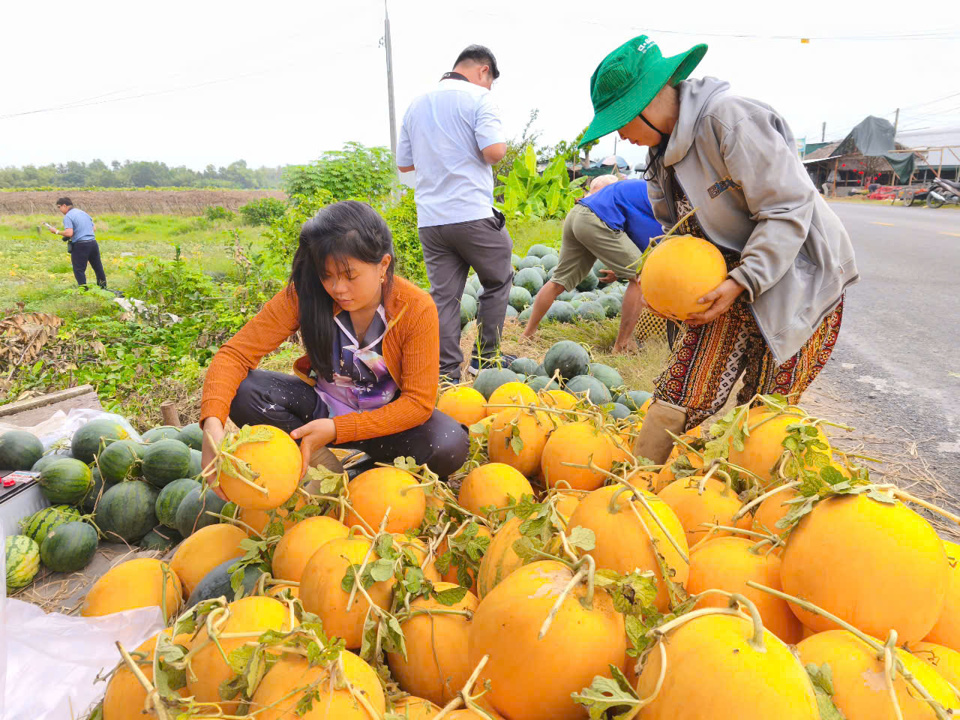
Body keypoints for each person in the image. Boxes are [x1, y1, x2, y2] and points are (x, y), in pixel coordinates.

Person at [578, 35, 858, 463]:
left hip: (797, 272)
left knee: (765, 406)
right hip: (724, 275)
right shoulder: (659, 154)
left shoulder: (731, 121)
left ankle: (740, 500)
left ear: (647, 102)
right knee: (686, 384)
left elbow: (787, 207)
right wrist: (665, 286)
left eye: (621, 121)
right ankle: (635, 482)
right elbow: (677, 232)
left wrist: (744, 279)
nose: (620, 134)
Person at [199, 201, 470, 480]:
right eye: (327, 275)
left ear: (382, 265)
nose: (338, 289)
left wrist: (339, 429)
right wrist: (212, 426)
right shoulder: (305, 295)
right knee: (245, 391)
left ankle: (369, 468)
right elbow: (234, 355)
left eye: (350, 276)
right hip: (318, 412)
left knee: (449, 444)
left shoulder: (414, 308)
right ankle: (315, 463)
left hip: (386, 426)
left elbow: (417, 403)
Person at [397, 44, 513, 380]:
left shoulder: (416, 104)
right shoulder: (479, 98)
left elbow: (405, 163)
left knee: (444, 298)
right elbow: (493, 151)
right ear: (483, 71)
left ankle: (446, 373)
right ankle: (485, 358)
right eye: (489, 81)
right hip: (472, 213)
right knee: (498, 279)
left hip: (431, 220)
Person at [521, 176, 663, 352]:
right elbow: (647, 244)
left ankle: (527, 335)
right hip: (595, 218)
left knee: (558, 281)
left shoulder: (644, 189)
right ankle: (622, 346)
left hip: (577, 214)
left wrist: (620, 270)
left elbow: (623, 240)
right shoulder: (662, 203)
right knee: (642, 276)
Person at [48, 198, 107, 289]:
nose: (59, 210)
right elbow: (93, 228)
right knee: (98, 267)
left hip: (81, 245)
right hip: (93, 243)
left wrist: (56, 231)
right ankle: (103, 288)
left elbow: (69, 233)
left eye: (59, 207)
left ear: (64, 205)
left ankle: (84, 291)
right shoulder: (83, 213)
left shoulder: (68, 216)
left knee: (79, 270)